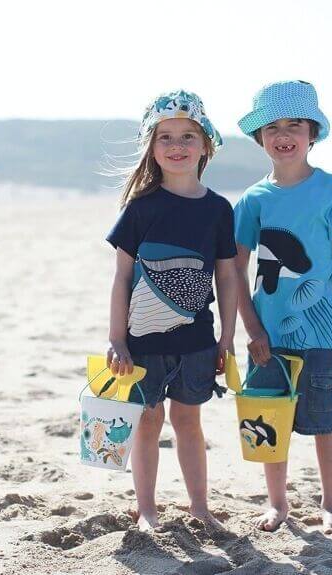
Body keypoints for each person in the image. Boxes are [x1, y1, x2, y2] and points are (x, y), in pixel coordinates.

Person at [105, 90, 238, 531]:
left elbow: (227, 276)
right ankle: (146, 509)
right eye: (166, 137)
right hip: (142, 341)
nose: (176, 145)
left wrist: (226, 338)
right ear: (152, 147)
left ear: (206, 146)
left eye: (187, 136)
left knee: (188, 421)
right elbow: (122, 277)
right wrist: (116, 338)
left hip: (197, 339)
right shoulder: (141, 208)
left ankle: (199, 506)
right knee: (147, 421)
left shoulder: (219, 209)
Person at [234, 80, 332, 533]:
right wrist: (250, 329)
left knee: (325, 419)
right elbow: (234, 268)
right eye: (272, 126)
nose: (283, 134)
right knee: (269, 420)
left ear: (312, 133)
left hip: (323, 332)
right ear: (260, 138)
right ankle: (277, 503)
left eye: (294, 124)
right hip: (268, 334)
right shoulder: (252, 200)